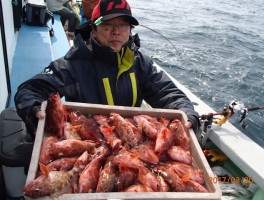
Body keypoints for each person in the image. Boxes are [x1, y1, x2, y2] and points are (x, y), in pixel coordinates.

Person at [15, 0, 200, 138]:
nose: (116, 31)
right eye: (108, 25)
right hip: (89, 140)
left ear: (130, 30)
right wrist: (33, 110)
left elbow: (168, 93)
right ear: (93, 29)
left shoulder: (140, 63)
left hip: (130, 140)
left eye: (123, 25)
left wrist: (186, 114)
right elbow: (31, 89)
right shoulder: (74, 64)